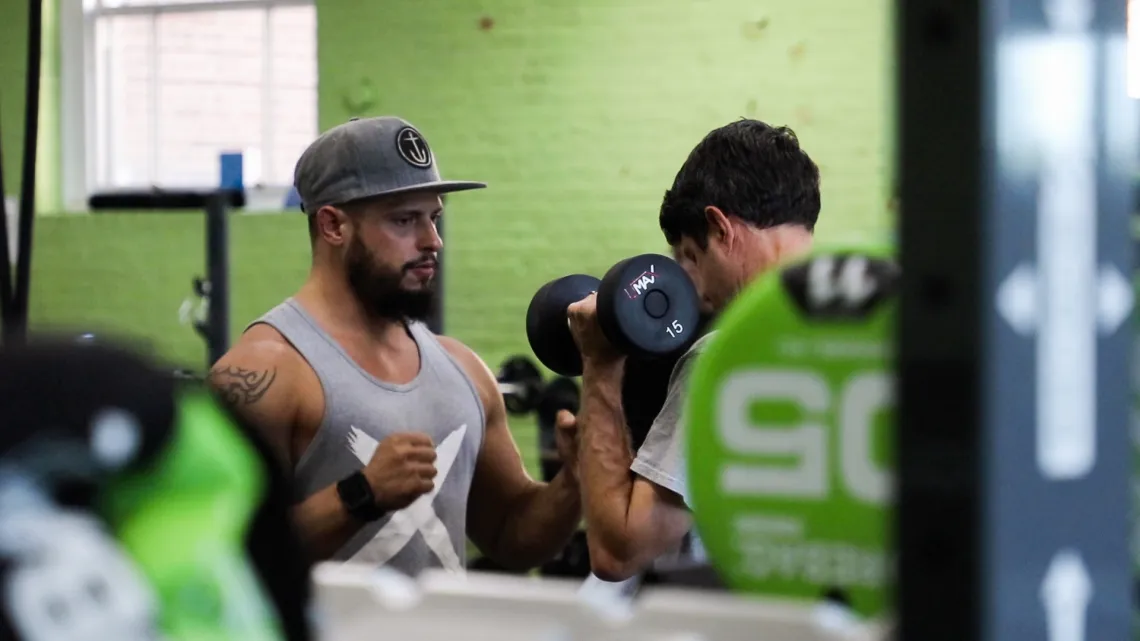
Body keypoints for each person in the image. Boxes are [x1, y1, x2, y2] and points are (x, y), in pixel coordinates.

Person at [207, 116, 582, 576]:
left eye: (434, 217)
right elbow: (214, 558)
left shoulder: (463, 368)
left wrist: (574, 482)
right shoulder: (267, 372)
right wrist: (360, 494)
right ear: (332, 226)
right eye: (405, 220)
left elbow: (512, 537)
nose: (433, 241)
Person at [566, 119, 821, 581]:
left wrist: (599, 361)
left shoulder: (727, 359)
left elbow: (620, 553)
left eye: (689, 254)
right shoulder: (866, 328)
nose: (693, 289)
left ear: (719, 227)